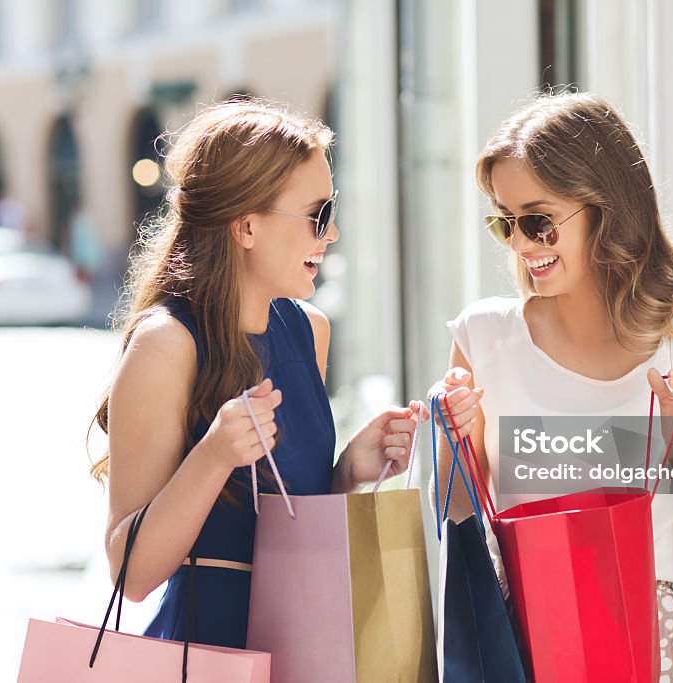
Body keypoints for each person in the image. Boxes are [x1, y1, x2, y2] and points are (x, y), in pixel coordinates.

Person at [428, 91, 673, 681]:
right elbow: (456, 522)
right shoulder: (484, 339)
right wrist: (447, 444)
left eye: (537, 221)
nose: (519, 243)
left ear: (606, 209)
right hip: (523, 649)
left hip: (657, 657)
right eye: (504, 222)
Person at [89, 99, 423, 649]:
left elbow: (286, 530)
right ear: (246, 226)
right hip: (208, 655)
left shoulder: (309, 331)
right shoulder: (167, 345)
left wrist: (345, 474)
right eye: (317, 214)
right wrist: (215, 454)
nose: (332, 232)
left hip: (304, 650)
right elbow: (131, 574)